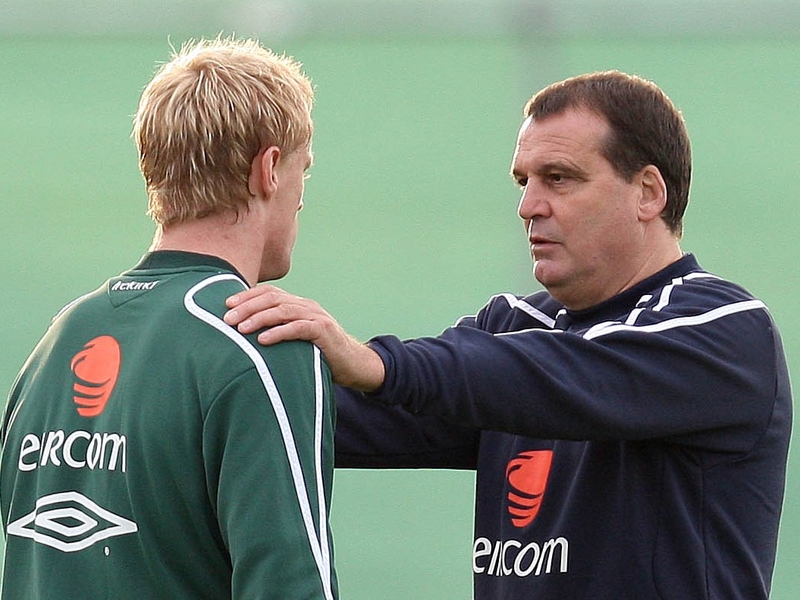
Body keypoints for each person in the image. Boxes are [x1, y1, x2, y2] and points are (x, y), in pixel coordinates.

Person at [223, 70, 792, 599]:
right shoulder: (518, 326)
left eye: (559, 179)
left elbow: (560, 373)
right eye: (524, 181)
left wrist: (379, 364)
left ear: (647, 192)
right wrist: (200, 383)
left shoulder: (724, 329)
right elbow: (312, 417)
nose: (528, 206)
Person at [0, 37, 338, 599]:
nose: (302, 197)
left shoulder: (57, 342)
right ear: (269, 170)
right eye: (304, 169)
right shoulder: (262, 340)